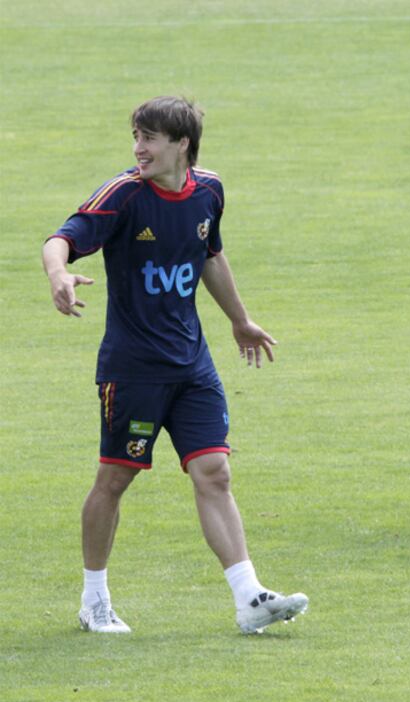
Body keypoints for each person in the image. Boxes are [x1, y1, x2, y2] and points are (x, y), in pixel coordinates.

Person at [43, 95, 308, 634]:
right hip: (133, 369)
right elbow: (61, 239)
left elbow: (209, 253)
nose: (139, 148)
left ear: (181, 144)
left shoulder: (209, 189)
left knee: (215, 471)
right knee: (114, 480)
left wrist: (240, 320)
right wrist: (59, 275)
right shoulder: (123, 195)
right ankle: (94, 600)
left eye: (150, 138)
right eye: (135, 137)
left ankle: (248, 597)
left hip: (193, 366)